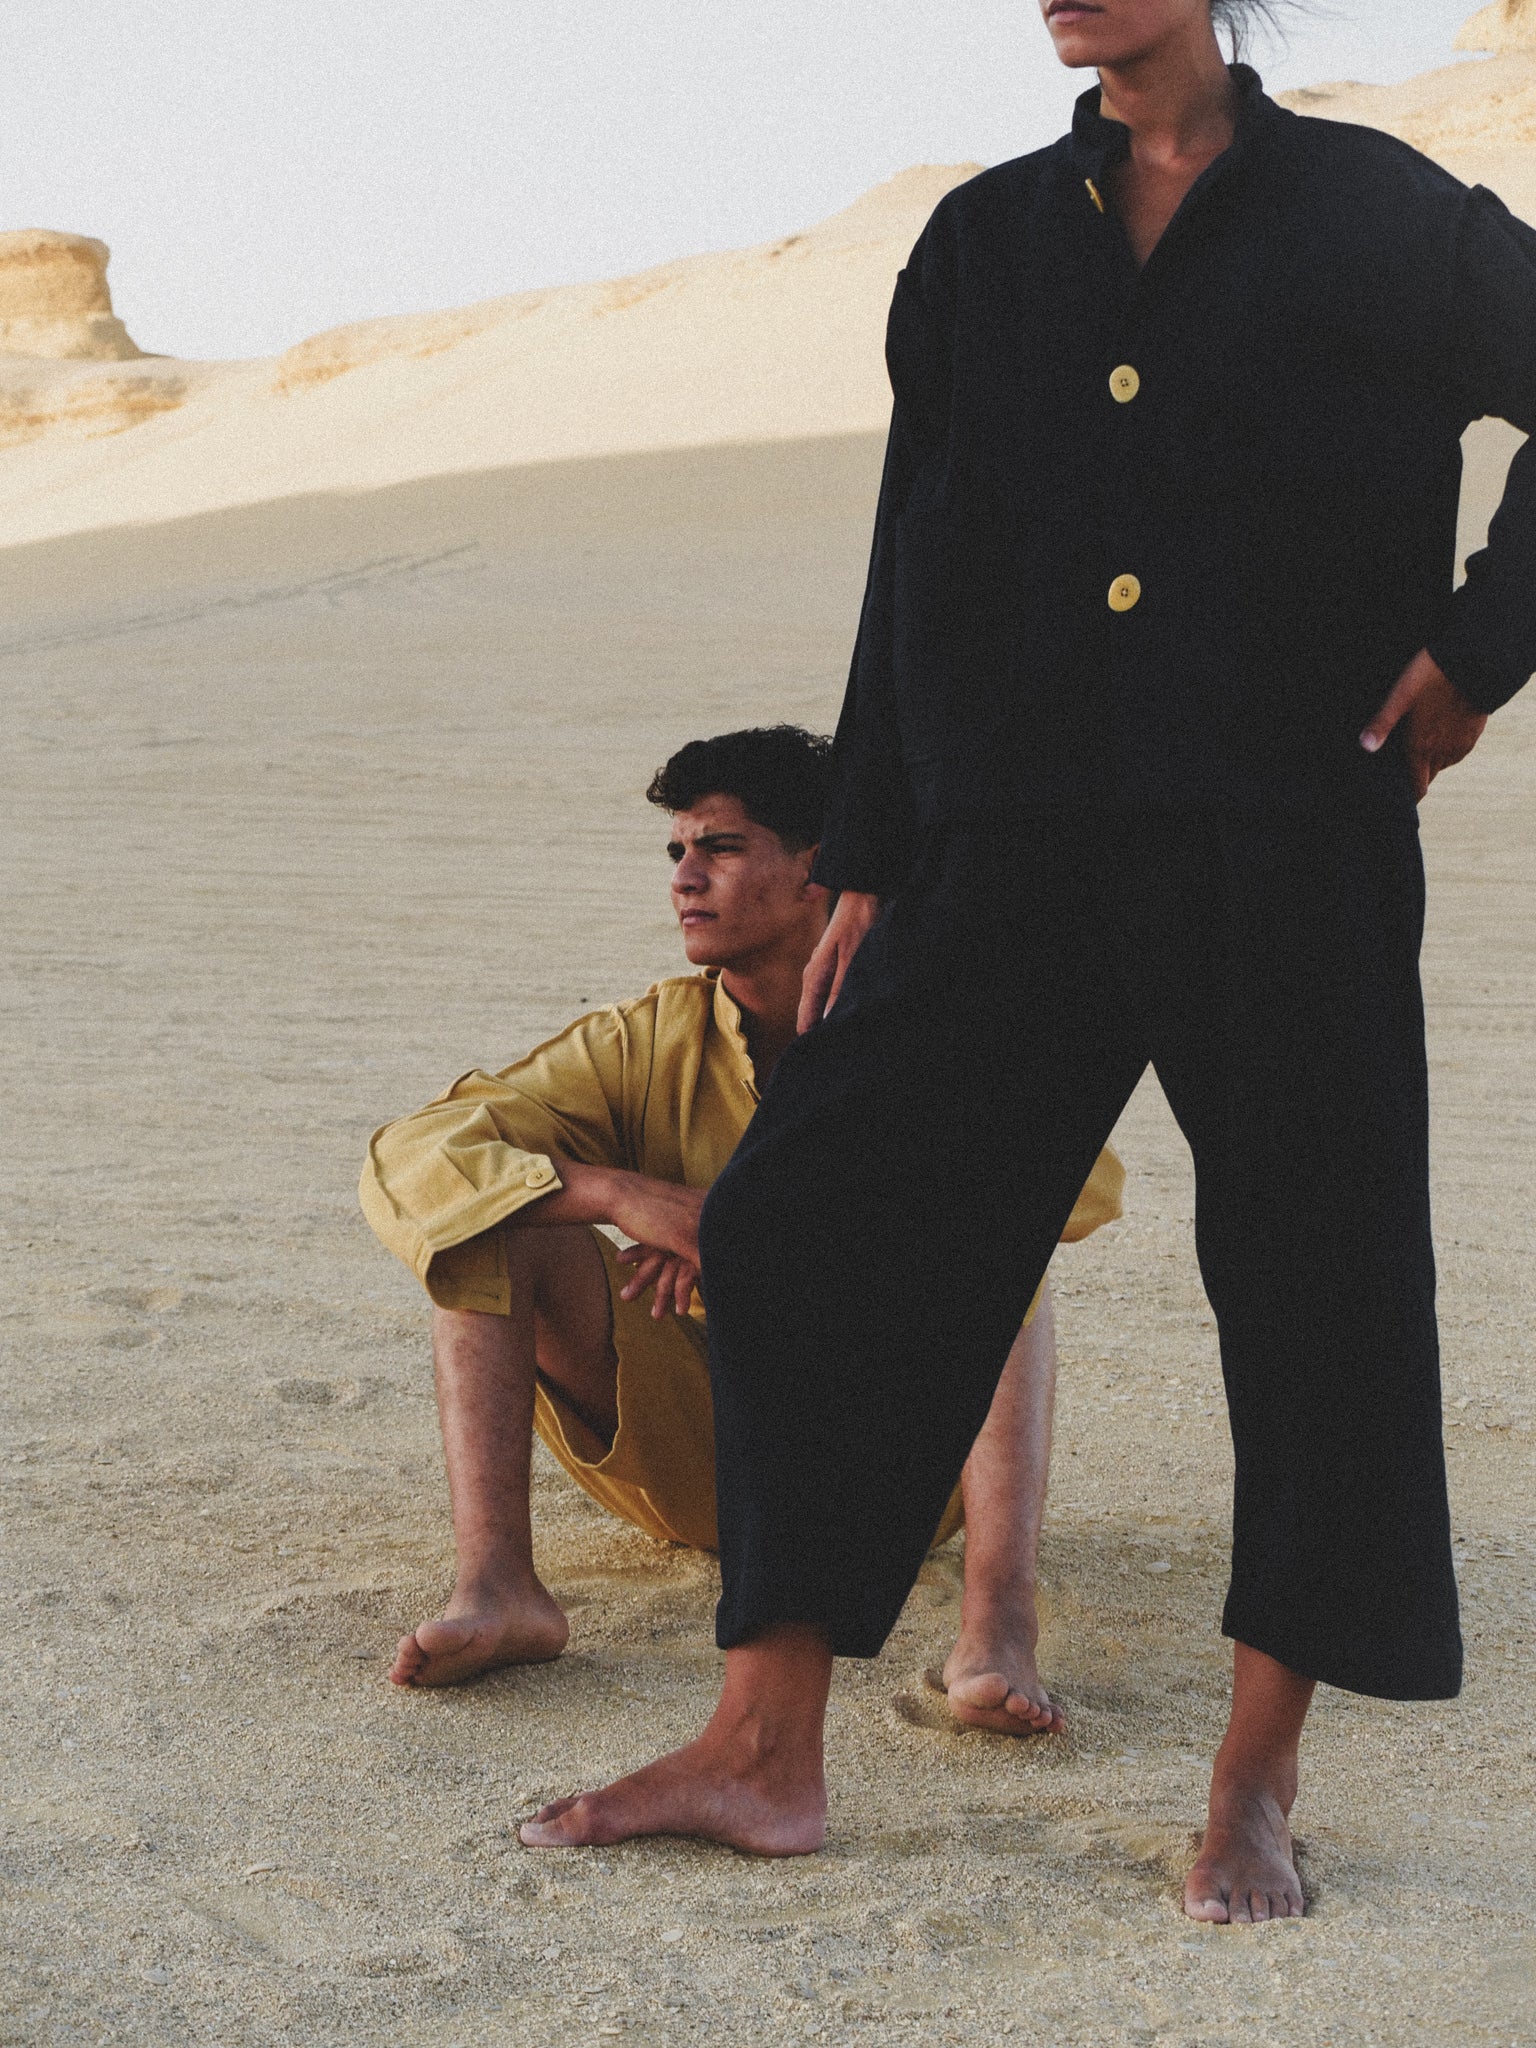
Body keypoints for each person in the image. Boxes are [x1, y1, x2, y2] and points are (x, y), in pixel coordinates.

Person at [515, 0, 1536, 1924]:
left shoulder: (1383, 213)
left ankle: (1251, 1786)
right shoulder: (983, 238)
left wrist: (1484, 645)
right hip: (1013, 839)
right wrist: (875, 854)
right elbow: (919, 552)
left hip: (1284, 839)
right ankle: (762, 1746)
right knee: (809, 1211)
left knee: (1315, 1287)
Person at [360, 724, 1124, 1732]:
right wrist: (622, 1196)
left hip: (890, 1470)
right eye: (676, 852)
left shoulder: (932, 1025)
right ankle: (499, 1586)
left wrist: (744, 1235)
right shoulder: (643, 1041)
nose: (685, 876)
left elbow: (1083, 1186)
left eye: (719, 847)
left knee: (1005, 1236)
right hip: (690, 1456)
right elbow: (411, 1155)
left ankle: (997, 1621)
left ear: (820, 869)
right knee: (494, 1222)